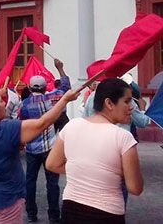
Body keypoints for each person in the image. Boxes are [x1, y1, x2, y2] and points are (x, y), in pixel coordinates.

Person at [0, 83, 79, 224]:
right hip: (7, 199)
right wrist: (64, 100)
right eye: (0, 101)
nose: (4, 103)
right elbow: (43, 123)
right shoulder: (9, 129)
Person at [46, 78, 144, 223]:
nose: (131, 107)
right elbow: (135, 187)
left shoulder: (72, 126)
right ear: (109, 103)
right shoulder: (123, 137)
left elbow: (52, 164)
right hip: (107, 214)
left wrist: (84, 170)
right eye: (127, 101)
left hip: (71, 209)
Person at [19, 59, 70, 224]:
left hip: (32, 148)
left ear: (29, 88)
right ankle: (54, 216)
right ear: (45, 87)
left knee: (30, 181)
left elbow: (22, 124)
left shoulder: (25, 105)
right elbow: (66, 89)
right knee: (52, 183)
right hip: (50, 147)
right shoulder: (54, 98)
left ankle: (31, 214)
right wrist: (60, 69)